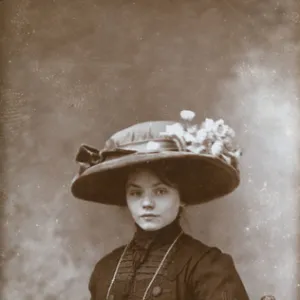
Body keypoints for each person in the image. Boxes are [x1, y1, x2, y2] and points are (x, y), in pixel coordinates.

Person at [71, 110, 250, 300]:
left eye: (160, 191)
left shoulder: (208, 267)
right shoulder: (106, 270)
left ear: (182, 197)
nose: (147, 204)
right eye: (136, 193)